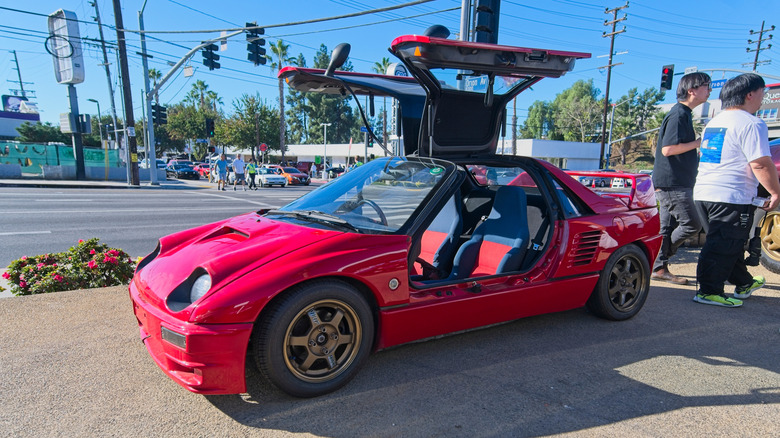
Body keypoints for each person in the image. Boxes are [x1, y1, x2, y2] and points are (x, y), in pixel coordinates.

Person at [693, 73, 780, 307]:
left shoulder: (715, 122)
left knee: (727, 242)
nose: (763, 98)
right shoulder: (751, 123)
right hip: (731, 195)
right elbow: (760, 163)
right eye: (762, 92)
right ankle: (708, 291)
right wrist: (775, 192)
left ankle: (744, 282)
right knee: (723, 245)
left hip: (704, 192)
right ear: (750, 94)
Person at [651, 72, 712, 285]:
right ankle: (658, 260)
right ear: (691, 90)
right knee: (692, 224)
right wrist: (699, 143)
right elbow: (668, 149)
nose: (710, 90)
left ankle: (658, 267)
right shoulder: (679, 114)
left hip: (671, 182)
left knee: (665, 229)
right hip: (673, 183)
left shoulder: (683, 113)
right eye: (706, 86)